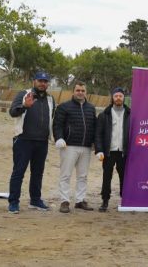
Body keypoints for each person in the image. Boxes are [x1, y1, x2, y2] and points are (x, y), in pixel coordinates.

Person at [7, 72, 56, 213]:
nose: (43, 83)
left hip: (42, 142)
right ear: (34, 81)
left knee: (37, 173)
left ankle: (35, 200)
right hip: (23, 140)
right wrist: (24, 106)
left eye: (45, 81)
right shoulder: (24, 94)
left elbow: (52, 118)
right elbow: (12, 112)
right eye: (40, 80)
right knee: (18, 172)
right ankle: (13, 202)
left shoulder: (51, 99)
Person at [53, 81, 98, 213]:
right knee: (65, 175)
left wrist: (95, 143)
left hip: (86, 147)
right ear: (73, 91)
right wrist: (59, 138)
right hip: (69, 146)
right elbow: (57, 125)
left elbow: (94, 126)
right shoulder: (64, 107)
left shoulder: (91, 108)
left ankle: (80, 200)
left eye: (83, 90)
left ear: (86, 92)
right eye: (78, 90)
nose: (80, 93)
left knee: (83, 176)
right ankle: (64, 201)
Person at [94, 87, 131, 212]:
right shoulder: (104, 114)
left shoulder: (130, 114)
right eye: (116, 96)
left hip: (124, 152)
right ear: (112, 98)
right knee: (107, 177)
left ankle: (124, 200)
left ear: (123, 98)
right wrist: (99, 150)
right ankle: (105, 201)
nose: (118, 98)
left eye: (120, 96)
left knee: (124, 177)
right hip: (108, 152)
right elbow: (98, 134)